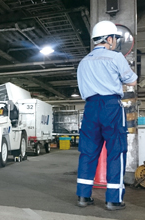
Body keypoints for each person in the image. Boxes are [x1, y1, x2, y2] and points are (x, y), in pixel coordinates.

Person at [76, 20, 138, 211]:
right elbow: (133, 81)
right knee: (116, 151)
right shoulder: (116, 57)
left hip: (90, 108)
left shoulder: (83, 62)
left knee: (87, 152)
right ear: (109, 39)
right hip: (111, 107)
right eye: (114, 39)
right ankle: (113, 199)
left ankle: (83, 197)